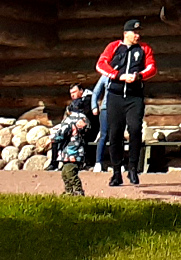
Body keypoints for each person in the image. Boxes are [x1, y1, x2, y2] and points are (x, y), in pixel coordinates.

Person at [97, 17, 157, 186]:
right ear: (126, 33)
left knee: (135, 129)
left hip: (134, 96)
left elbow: (152, 67)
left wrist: (139, 76)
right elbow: (101, 64)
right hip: (115, 96)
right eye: (134, 32)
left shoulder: (144, 49)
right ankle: (116, 172)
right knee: (115, 133)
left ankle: (132, 167)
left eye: (139, 32)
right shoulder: (114, 46)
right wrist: (119, 76)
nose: (137, 35)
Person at [51, 96, 94, 196]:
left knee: (69, 172)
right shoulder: (85, 119)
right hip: (78, 151)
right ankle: (69, 191)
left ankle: (77, 190)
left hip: (70, 151)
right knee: (67, 172)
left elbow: (62, 132)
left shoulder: (70, 120)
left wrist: (54, 138)